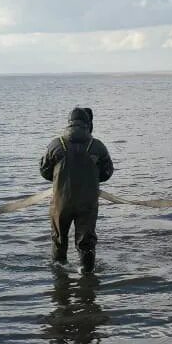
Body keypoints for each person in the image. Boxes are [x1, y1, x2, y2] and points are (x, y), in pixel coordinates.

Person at [40, 107, 114, 274]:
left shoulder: (56, 144)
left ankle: (60, 280)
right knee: (86, 242)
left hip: (61, 203)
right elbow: (107, 172)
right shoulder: (97, 146)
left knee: (59, 240)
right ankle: (87, 277)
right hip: (87, 203)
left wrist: (62, 178)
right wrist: (90, 178)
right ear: (88, 124)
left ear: (69, 123)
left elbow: (44, 171)